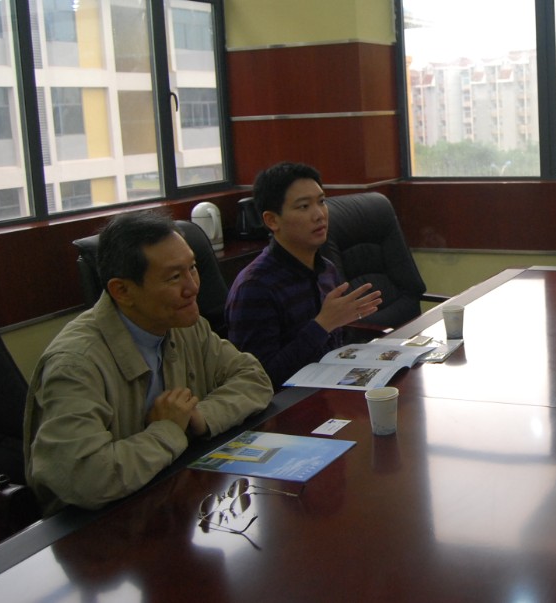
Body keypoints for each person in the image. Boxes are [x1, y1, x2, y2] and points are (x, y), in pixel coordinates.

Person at [24, 211, 272, 516]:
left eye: (192, 268)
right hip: (98, 527)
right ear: (122, 291)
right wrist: (168, 430)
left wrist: (198, 417)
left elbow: (254, 378)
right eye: (174, 277)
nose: (193, 287)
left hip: (169, 499)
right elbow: (85, 478)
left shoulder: (184, 324)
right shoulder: (75, 364)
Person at [225, 162, 382, 386]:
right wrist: (322, 325)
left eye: (321, 202)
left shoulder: (327, 269)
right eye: (304, 206)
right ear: (272, 220)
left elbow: (335, 347)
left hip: (331, 387)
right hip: (289, 402)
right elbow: (258, 380)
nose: (319, 215)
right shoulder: (254, 287)